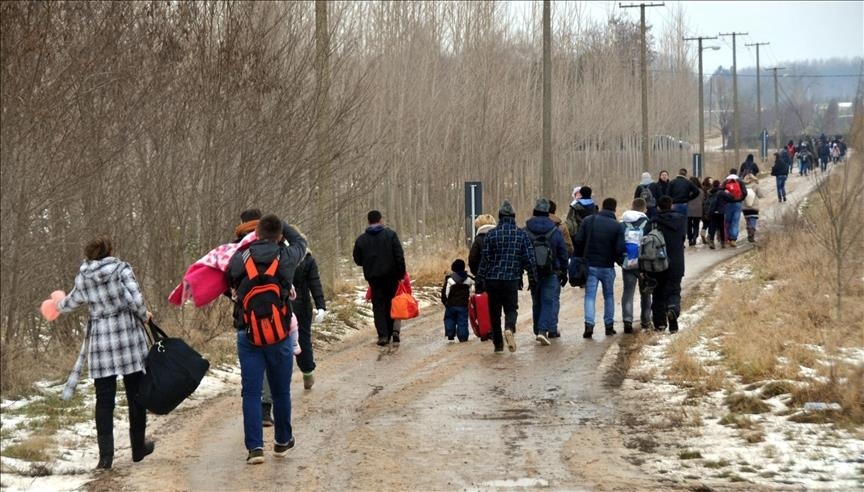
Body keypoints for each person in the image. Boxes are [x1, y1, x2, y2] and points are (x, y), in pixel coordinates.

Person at [52, 237, 154, 470]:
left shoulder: (83, 277)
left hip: (101, 341)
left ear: (89, 255)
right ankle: (138, 448)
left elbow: (70, 303)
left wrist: (56, 304)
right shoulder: (121, 269)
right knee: (136, 394)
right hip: (127, 336)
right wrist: (145, 315)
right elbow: (136, 300)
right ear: (110, 251)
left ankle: (105, 458)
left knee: (104, 400)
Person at [227, 214, 306, 464]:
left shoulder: (239, 258)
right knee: (281, 391)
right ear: (280, 236)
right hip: (280, 335)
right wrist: (284, 224)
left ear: (256, 233)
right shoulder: (286, 257)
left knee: (251, 392)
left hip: (248, 334)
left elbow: (228, 286)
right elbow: (301, 243)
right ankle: (282, 441)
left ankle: (255, 449)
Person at [476, 200, 538, 353]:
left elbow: (485, 259)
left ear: (500, 216)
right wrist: (533, 278)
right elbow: (529, 259)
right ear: (513, 217)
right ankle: (509, 328)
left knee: (494, 313)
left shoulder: (491, 234)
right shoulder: (521, 234)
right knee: (511, 309)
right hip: (511, 279)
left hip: (492, 280)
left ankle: (498, 344)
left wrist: (479, 279)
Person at [573, 197, 625, 338]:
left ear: (602, 206)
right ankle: (609, 326)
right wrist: (619, 260)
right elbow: (620, 249)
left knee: (590, 296)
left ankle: (589, 325)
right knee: (609, 296)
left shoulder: (588, 221)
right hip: (608, 266)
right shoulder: (617, 226)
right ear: (614, 209)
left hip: (590, 266)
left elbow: (578, 240)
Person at [353, 210, 407, 346]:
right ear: (381, 220)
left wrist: (368, 263)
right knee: (390, 303)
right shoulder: (391, 235)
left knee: (378, 306)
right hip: (391, 277)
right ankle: (391, 331)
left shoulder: (361, 240)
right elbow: (399, 256)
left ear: (368, 221)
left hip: (374, 278)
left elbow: (357, 259)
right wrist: (401, 274)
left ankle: (383, 335)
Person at [524, 197, 569, 345]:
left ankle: (537, 329)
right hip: (551, 271)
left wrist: (524, 268)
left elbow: (522, 251)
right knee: (548, 301)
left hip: (533, 271)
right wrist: (564, 270)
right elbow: (563, 252)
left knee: (536, 300)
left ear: (534, 211)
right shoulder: (555, 230)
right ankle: (543, 331)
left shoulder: (526, 230)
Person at [644, 196, 686, 333]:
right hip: (676, 263)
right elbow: (682, 238)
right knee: (674, 290)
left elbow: (645, 241)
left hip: (657, 263)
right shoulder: (680, 220)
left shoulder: (652, 222)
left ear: (658, 207)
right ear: (672, 205)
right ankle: (672, 310)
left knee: (658, 292)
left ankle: (660, 323)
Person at [291, 248, 326, 389]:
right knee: (303, 340)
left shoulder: (279, 256)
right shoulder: (307, 259)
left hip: (282, 306)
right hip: (302, 307)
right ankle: (307, 373)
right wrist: (320, 306)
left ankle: (280, 381)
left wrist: (320, 306)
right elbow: (314, 283)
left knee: (281, 344)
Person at [620, 198, 651, 333]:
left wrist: (620, 259)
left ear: (632, 207)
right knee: (646, 293)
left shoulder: (623, 223)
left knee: (628, 292)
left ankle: (627, 320)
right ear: (644, 209)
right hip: (644, 263)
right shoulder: (648, 223)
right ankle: (646, 320)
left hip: (628, 262)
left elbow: (619, 243)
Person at [441, 259, 473, 342]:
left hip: (451, 305)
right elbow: (472, 291)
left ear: (453, 268)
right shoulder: (468, 279)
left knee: (449, 319)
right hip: (463, 305)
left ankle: (450, 334)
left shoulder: (450, 279)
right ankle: (463, 337)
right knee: (462, 321)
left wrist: (445, 302)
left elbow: (445, 293)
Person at [722, 169, 748, 248]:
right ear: (736, 173)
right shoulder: (740, 181)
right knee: (735, 221)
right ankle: (733, 239)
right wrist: (740, 199)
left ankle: (727, 238)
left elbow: (721, 192)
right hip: (737, 204)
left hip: (727, 204)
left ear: (729, 173)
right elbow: (745, 193)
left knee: (727, 221)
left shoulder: (725, 181)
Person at [705, 180, 727, 249]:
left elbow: (707, 203)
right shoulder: (722, 192)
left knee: (713, 227)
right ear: (719, 184)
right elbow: (729, 198)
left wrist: (707, 212)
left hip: (712, 211)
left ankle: (712, 241)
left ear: (713, 185)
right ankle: (723, 242)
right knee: (721, 227)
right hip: (721, 212)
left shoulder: (709, 193)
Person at [742, 174, 763, 243]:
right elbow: (760, 195)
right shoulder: (755, 185)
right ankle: (751, 234)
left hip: (745, 207)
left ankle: (749, 234)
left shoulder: (742, 186)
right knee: (753, 220)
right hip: (754, 206)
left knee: (748, 221)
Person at [685, 176, 705, 247]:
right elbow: (703, 200)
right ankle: (694, 237)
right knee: (696, 225)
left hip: (689, 209)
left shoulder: (688, 190)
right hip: (698, 209)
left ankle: (690, 238)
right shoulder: (701, 190)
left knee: (688, 225)